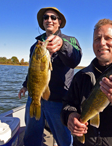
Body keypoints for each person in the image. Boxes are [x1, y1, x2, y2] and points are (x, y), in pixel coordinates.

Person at [18, 7, 82, 146]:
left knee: (63, 138)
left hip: (59, 100)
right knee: (31, 135)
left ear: (59, 22)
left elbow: (75, 59)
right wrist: (25, 85)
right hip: (34, 96)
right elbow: (33, 69)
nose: (49, 20)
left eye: (53, 17)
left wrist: (62, 45)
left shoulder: (70, 40)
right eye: (46, 17)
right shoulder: (36, 45)